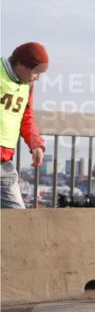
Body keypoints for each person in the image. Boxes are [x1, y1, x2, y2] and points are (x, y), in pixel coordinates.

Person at [0, 43, 48, 209]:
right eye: (36, 72)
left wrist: (35, 144)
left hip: (4, 163)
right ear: (21, 65)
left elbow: (26, 117)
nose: (37, 77)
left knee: (17, 214)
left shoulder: (27, 87)